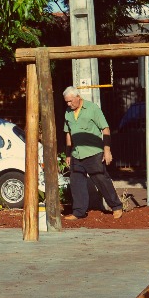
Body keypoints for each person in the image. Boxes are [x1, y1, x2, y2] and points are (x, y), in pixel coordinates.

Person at [61, 86, 122, 220]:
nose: (69, 104)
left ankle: (116, 207)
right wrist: (68, 153)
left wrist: (107, 150)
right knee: (76, 183)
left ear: (78, 97)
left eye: (71, 101)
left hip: (93, 152)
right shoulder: (68, 112)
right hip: (77, 153)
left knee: (101, 180)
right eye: (66, 102)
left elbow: (105, 129)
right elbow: (68, 134)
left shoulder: (92, 108)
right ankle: (78, 212)